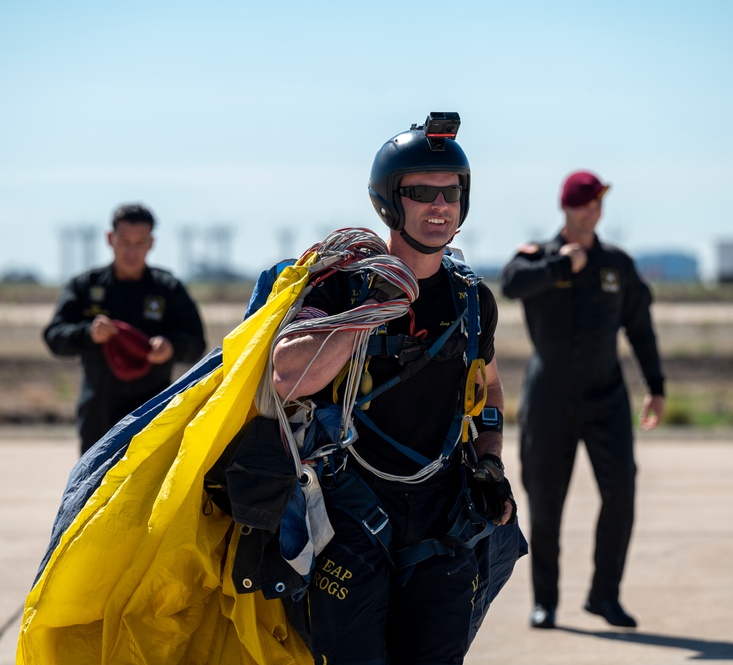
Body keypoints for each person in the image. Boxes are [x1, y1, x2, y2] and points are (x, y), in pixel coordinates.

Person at [270, 113, 517, 664]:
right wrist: (367, 311)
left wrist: (490, 461)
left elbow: (491, 391)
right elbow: (287, 377)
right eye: (421, 192)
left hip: (443, 513)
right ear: (388, 202)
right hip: (349, 513)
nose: (439, 206)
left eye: (451, 193)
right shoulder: (340, 285)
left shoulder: (471, 298)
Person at [500, 170, 665, 630]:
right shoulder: (540, 256)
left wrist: (657, 386)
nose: (592, 212)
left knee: (621, 493)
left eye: (597, 204)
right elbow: (510, 284)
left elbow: (640, 328)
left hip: (606, 397)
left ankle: (604, 596)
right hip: (550, 397)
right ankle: (545, 602)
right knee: (546, 501)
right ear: (566, 208)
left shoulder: (617, 264)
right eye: (584, 204)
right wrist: (560, 267)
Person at [43, 203, 207, 455]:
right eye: (124, 241)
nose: (131, 251)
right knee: (93, 489)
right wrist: (89, 334)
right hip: (98, 409)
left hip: (152, 408)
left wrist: (171, 347)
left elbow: (196, 341)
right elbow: (54, 336)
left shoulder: (168, 288)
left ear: (151, 243)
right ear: (110, 239)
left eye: (139, 243)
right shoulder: (86, 286)